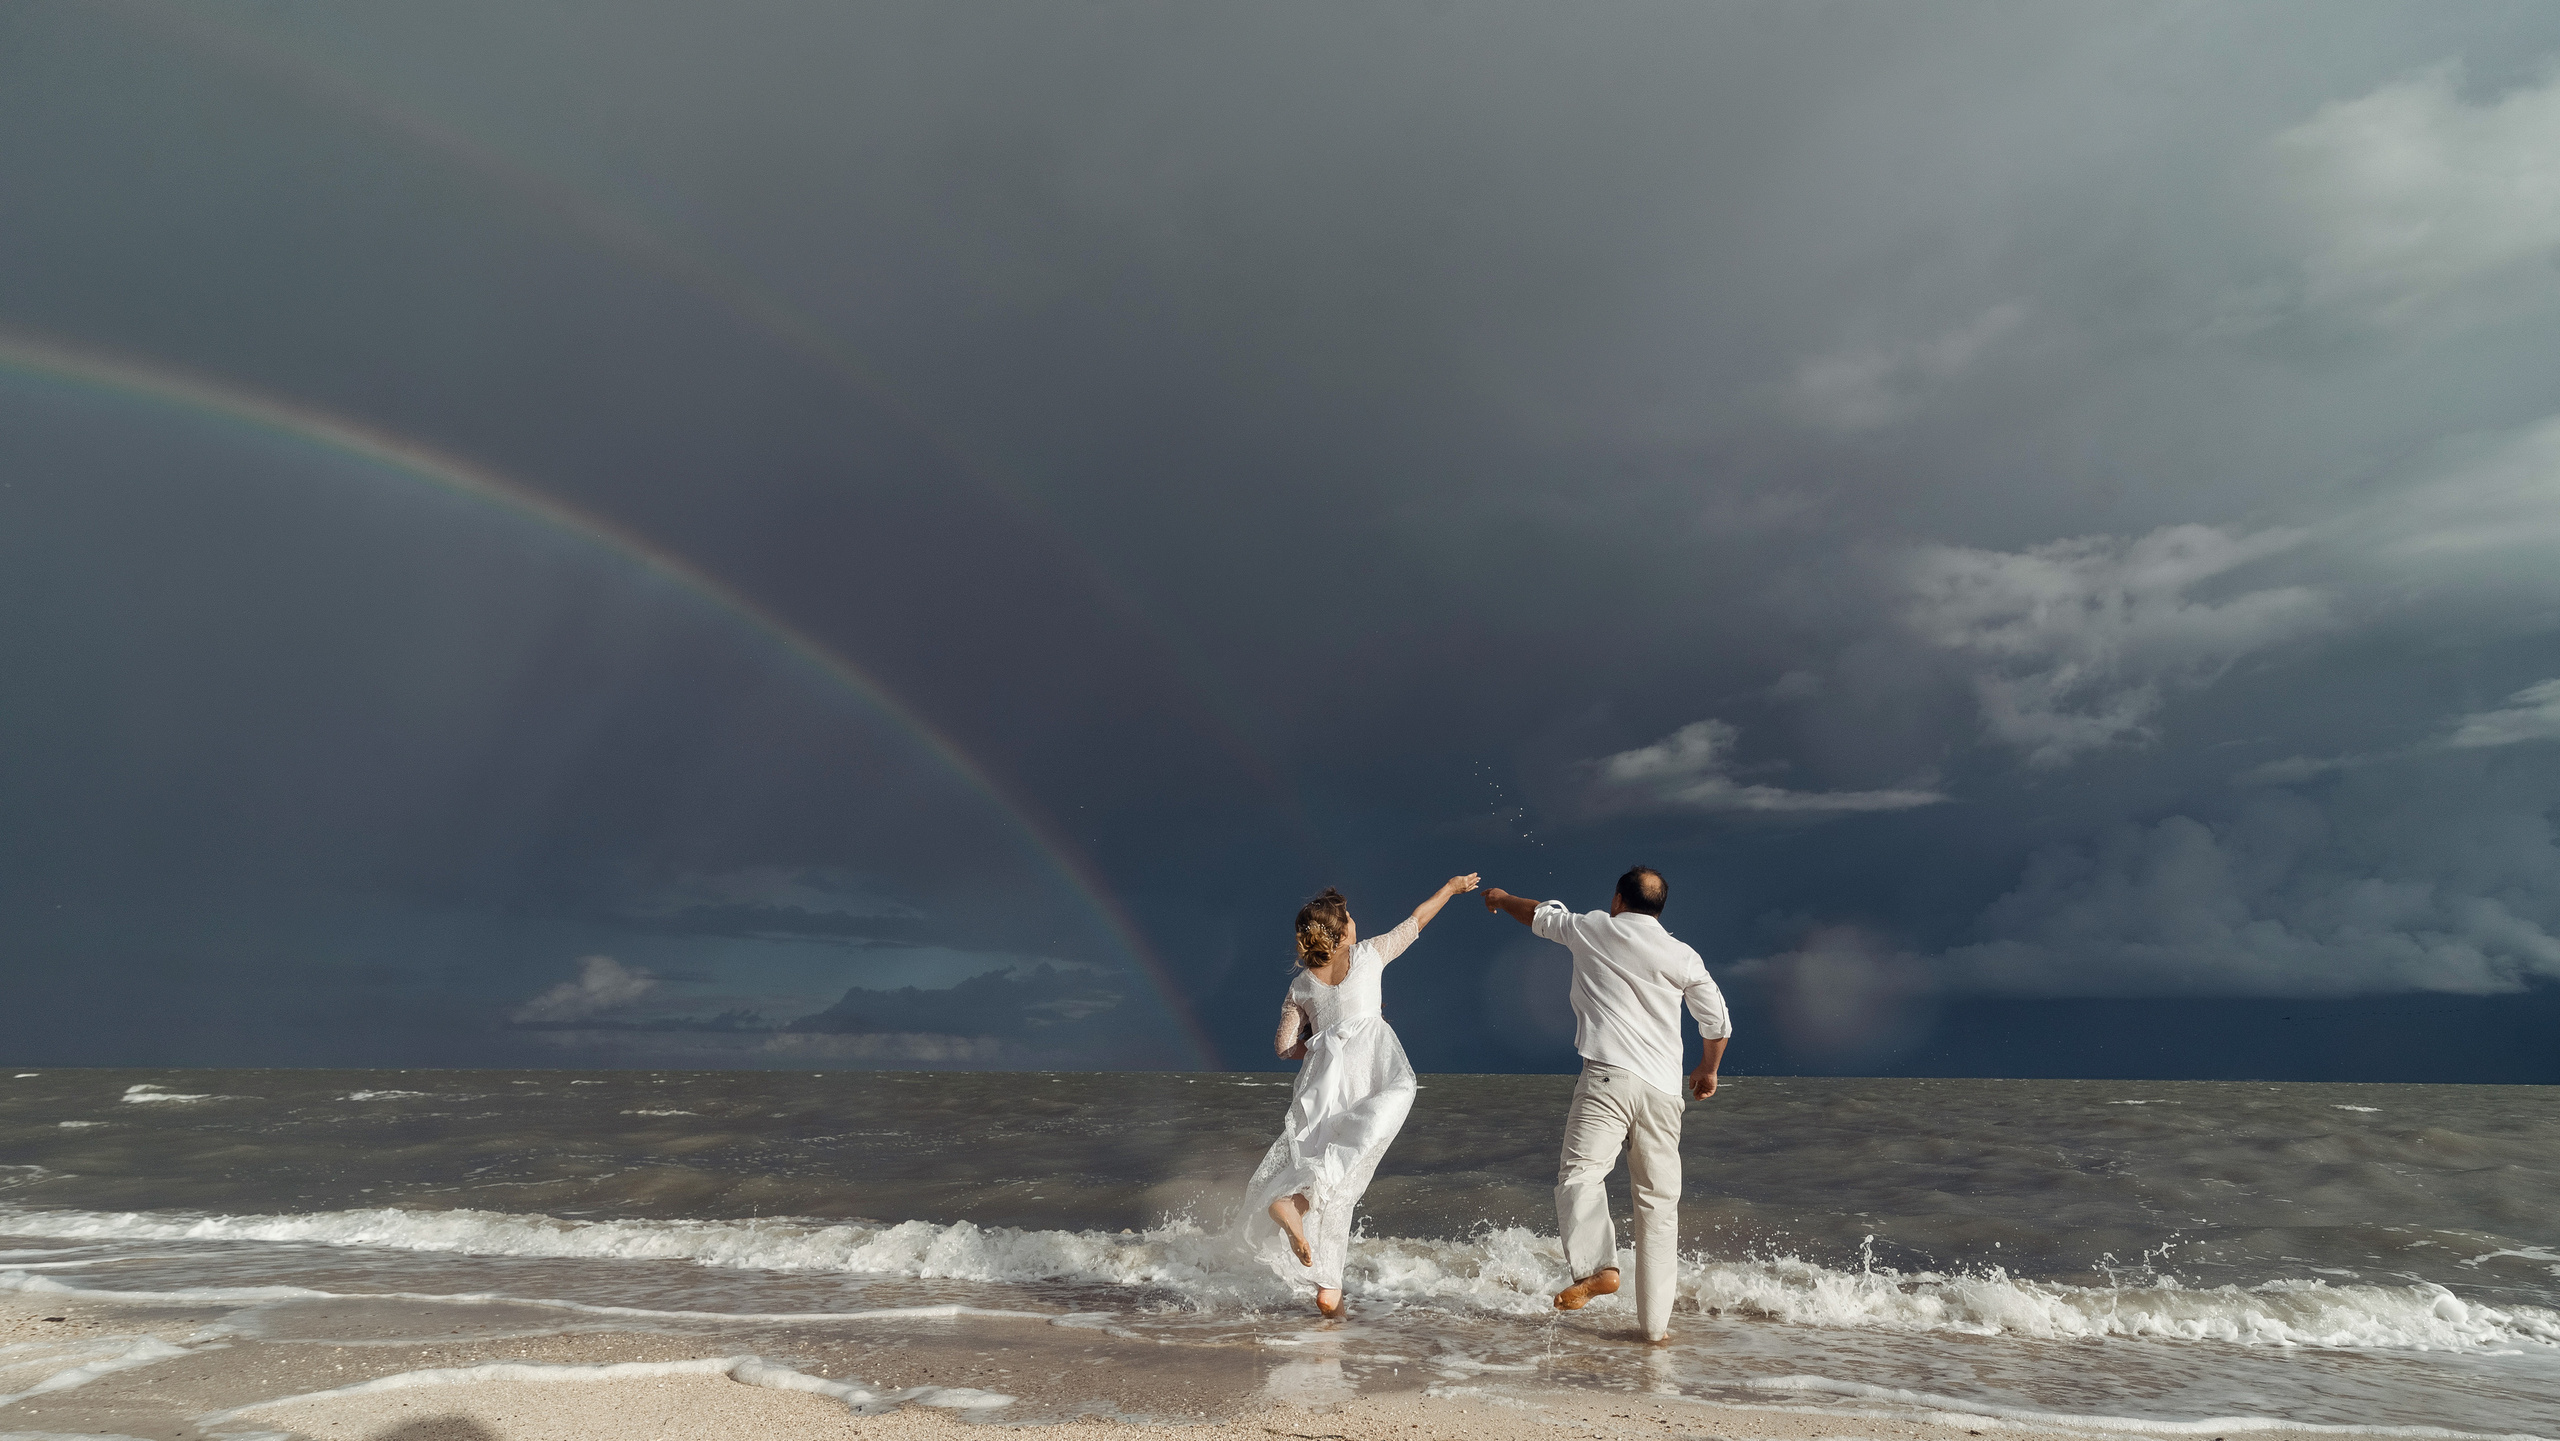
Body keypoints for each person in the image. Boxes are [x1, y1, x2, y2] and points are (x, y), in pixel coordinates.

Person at [1482, 865, 1729, 1343]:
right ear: (1659, 910)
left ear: (1618, 900)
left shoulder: (1593, 927)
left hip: (1608, 1079)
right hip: (1663, 1091)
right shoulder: (1683, 955)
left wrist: (1501, 897)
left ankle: (1599, 1267)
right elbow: (1717, 1022)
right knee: (1659, 1206)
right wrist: (1707, 1069)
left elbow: (1538, 915)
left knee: (1580, 1175)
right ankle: (1654, 1331)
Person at [1242, 872, 1480, 1317]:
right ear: (1339, 932)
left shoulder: (1301, 985)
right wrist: (1450, 889)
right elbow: (1416, 922)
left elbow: (1283, 1047)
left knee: (1340, 1177)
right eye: (1349, 917)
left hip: (1322, 1084)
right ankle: (1296, 1209)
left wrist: (1322, 1044)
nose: (1355, 921)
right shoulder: (1368, 954)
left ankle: (1328, 1287)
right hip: (1369, 1073)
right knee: (1394, 1101)